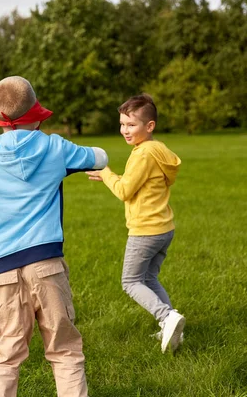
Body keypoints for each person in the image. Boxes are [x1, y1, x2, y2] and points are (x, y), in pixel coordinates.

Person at [0, 76, 108, 396]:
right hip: (47, 266)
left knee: (4, 358)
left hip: (0, 273)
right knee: (65, 351)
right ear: (36, 112)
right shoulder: (55, 148)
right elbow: (100, 157)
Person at [86, 94, 185, 353]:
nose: (124, 131)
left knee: (130, 281)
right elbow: (136, 184)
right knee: (149, 278)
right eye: (122, 124)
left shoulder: (143, 154)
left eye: (131, 125)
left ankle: (167, 316)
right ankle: (170, 327)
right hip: (164, 228)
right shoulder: (158, 150)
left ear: (149, 126)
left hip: (145, 230)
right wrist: (111, 177)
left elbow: (124, 191)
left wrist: (106, 171)